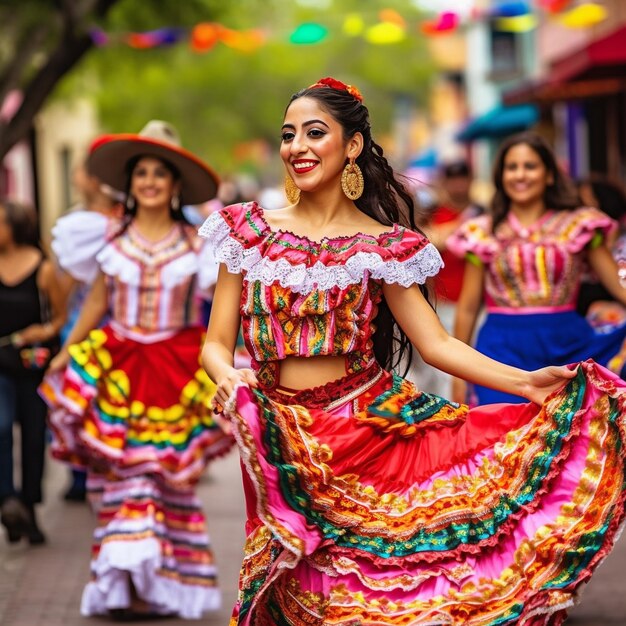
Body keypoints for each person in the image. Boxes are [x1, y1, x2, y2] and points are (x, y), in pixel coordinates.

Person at [199, 78, 626, 625]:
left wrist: (523, 383)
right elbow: (215, 343)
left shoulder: (385, 245)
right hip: (280, 433)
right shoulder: (247, 232)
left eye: (314, 133)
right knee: (293, 594)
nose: (297, 147)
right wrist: (229, 376)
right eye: (289, 135)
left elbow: (437, 343)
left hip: (367, 429)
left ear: (351, 146)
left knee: (367, 598)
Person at [40, 121, 234, 620]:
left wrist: (233, 361)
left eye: (159, 173)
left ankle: (164, 586)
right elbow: (97, 301)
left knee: (166, 480)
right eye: (141, 173)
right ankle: (125, 582)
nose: (149, 181)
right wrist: (68, 351)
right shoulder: (107, 235)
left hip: (175, 370)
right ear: (130, 185)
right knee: (128, 475)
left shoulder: (199, 244)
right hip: (119, 366)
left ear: (174, 186)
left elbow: (221, 310)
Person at [449, 131, 626, 406]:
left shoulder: (580, 225)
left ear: (550, 175)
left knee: (572, 441)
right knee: (501, 440)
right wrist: (457, 375)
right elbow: (468, 307)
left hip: (570, 347)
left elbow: (618, 285)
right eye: (512, 167)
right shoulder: (480, 232)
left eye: (530, 166)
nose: (520, 175)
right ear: (501, 176)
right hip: (500, 354)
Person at [51, 160, 123, 502]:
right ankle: (80, 470)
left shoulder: (124, 220)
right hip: (81, 319)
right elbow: (65, 280)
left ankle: (102, 461)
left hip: (115, 322)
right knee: (77, 392)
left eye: (79, 171)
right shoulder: (75, 223)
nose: (75, 178)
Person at [0, 198, 65, 545]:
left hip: (32, 365)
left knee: (34, 437)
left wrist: (40, 332)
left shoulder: (42, 267)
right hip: (0, 366)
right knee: (0, 426)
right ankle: (7, 500)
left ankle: (29, 508)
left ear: (15, 227)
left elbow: (60, 316)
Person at [406, 159, 485, 397]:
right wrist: (462, 226)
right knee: (448, 372)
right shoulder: (433, 214)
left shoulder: (486, 214)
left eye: (463, 178)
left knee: (481, 367)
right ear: (444, 182)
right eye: (452, 179)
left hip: (482, 308)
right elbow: (423, 242)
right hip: (445, 305)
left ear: (471, 180)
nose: (458, 184)